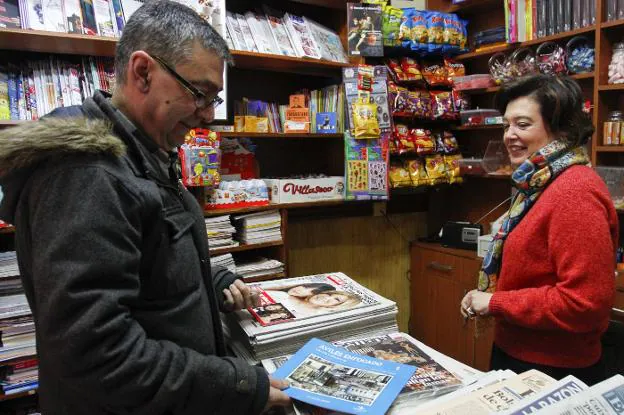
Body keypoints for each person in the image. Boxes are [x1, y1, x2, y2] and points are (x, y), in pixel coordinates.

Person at [0, 1, 290, 413]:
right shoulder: (84, 174)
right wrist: (236, 385)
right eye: (200, 94)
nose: (208, 115)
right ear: (142, 72)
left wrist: (210, 281)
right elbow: (98, 353)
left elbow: (146, 262)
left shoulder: (141, 148)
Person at [460, 75, 618, 385]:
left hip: (554, 371)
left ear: (559, 128)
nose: (510, 136)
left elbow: (584, 303)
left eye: (522, 124)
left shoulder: (574, 190)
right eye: (506, 125)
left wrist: (494, 303)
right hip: (520, 356)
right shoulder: (537, 182)